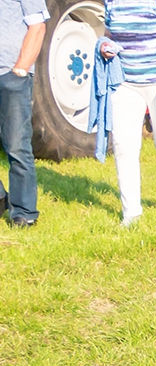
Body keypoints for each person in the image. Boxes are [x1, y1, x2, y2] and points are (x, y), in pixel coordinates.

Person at [101, 0, 156, 224]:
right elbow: (109, 33)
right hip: (126, 83)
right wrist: (104, 45)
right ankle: (131, 214)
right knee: (123, 147)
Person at [0, 0, 47, 227]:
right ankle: (0, 198)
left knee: (16, 144)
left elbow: (37, 27)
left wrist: (20, 70)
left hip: (11, 74)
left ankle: (24, 212)